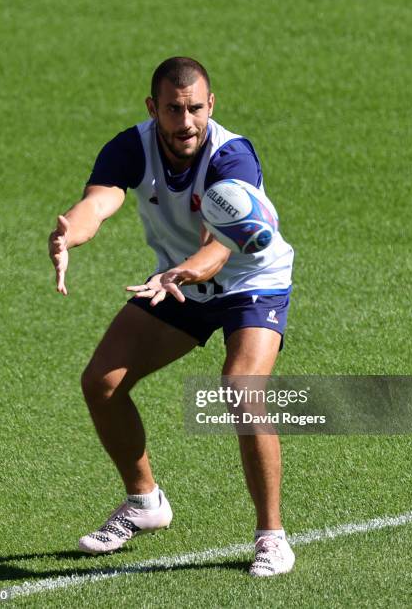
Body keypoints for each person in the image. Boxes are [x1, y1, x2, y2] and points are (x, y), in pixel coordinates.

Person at [48, 57, 295, 577]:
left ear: (211, 105)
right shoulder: (129, 147)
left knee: (243, 387)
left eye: (195, 109)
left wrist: (180, 273)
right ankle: (145, 503)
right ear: (152, 108)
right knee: (102, 382)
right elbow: (100, 202)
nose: (185, 122)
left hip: (250, 282)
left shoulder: (233, 157)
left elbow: (220, 247)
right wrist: (70, 232)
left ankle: (272, 536)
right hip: (177, 281)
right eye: (173, 110)